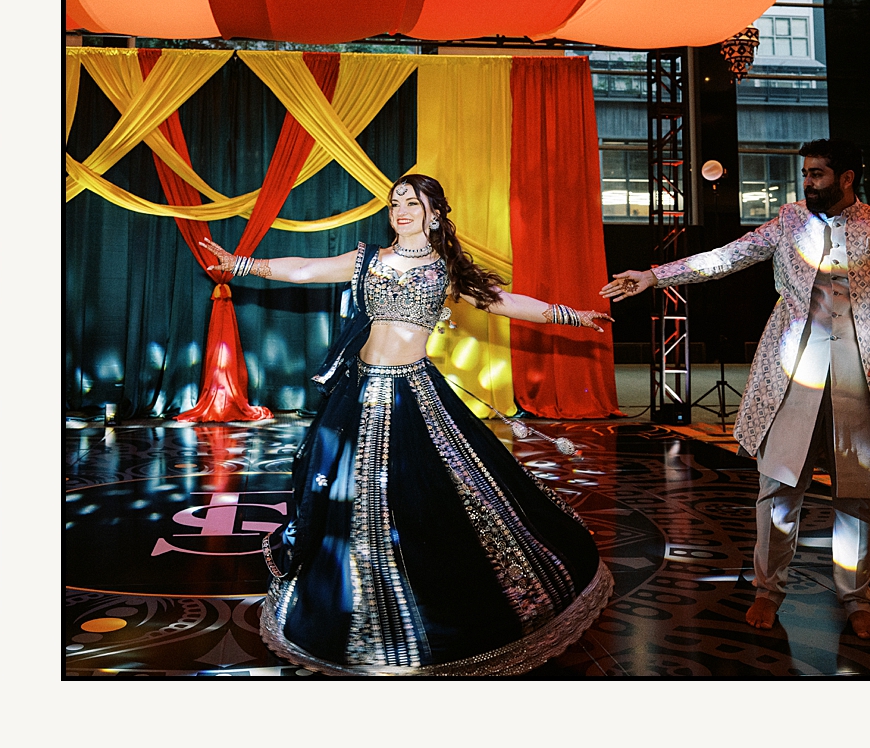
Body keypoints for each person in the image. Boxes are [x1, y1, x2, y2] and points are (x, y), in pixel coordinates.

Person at [203, 172, 614, 676]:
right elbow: (306, 269)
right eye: (395, 202)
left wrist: (570, 315)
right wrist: (243, 264)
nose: (401, 210)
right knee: (346, 497)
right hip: (359, 391)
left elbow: (508, 303)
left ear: (434, 213)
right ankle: (353, 598)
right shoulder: (368, 259)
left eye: (412, 203)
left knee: (440, 495)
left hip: (414, 392)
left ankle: (438, 598)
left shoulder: (446, 269)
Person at [602, 139, 870, 641]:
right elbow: (727, 258)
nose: (807, 182)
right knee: (777, 488)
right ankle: (767, 589)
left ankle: (857, 597)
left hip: (861, 378)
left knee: (858, 498)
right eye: (805, 174)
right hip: (792, 372)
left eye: (817, 174)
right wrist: (653, 275)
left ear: (847, 178)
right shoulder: (790, 220)